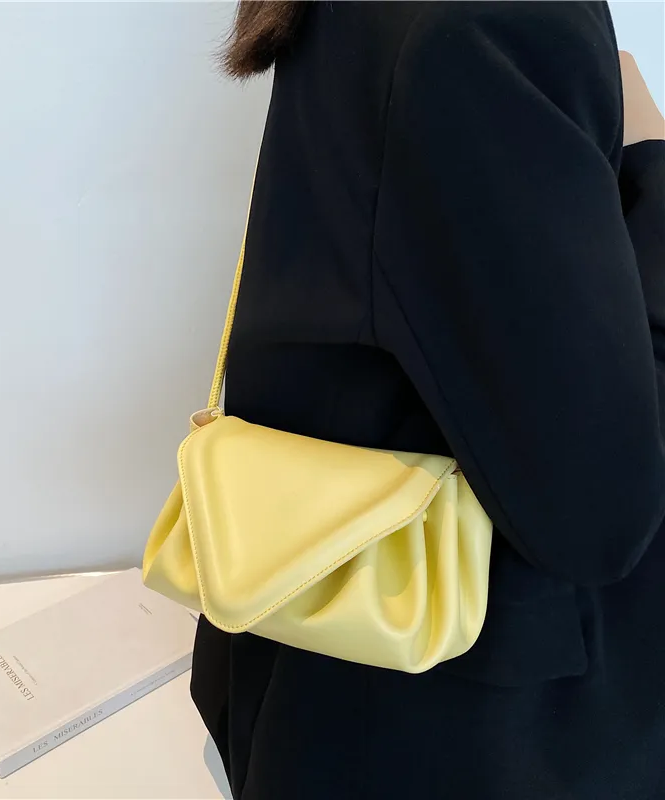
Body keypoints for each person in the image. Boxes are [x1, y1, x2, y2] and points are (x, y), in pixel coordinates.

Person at [189, 3, 665, 798]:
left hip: (337, 677)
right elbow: (602, 518)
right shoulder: (484, 26)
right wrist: (652, 164)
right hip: (463, 734)